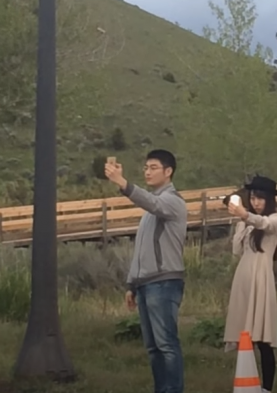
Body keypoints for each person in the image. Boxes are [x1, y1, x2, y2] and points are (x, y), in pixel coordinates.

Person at [105, 149, 188, 393]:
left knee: (166, 344)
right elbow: (141, 250)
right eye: (145, 168)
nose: (147, 172)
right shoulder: (150, 212)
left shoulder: (172, 202)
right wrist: (131, 284)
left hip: (164, 283)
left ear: (168, 171)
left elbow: (152, 202)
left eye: (153, 167)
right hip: (145, 285)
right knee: (153, 348)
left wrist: (122, 183)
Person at [224, 175, 277, 393]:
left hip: (261, 278)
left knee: (263, 339)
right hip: (244, 277)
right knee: (245, 335)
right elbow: (236, 251)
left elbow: (264, 223)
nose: (256, 202)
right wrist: (241, 222)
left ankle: (267, 388)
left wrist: (245, 215)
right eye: (253, 198)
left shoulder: (276, 219)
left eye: (261, 198)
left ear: (269, 199)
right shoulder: (247, 224)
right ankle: (246, 380)